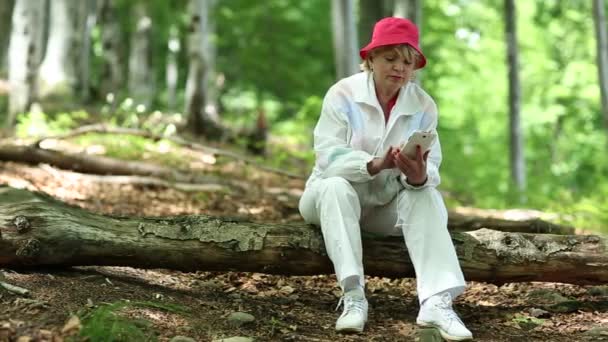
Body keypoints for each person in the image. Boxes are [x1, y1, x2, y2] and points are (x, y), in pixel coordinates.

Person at [298, 17, 473, 341]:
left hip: (382, 206)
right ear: (371, 59)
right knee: (336, 186)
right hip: (327, 198)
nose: (399, 68)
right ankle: (354, 297)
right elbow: (328, 156)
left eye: (407, 62)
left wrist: (420, 175)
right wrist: (374, 164)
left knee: (427, 195)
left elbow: (432, 164)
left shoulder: (422, 104)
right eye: (390, 58)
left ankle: (436, 302)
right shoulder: (342, 94)